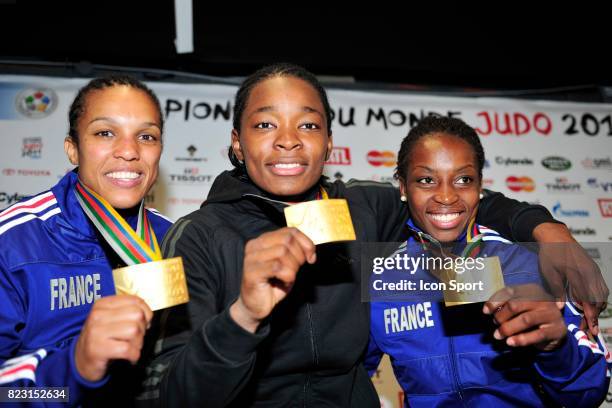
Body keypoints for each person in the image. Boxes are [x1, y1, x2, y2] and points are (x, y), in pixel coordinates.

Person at [142, 63, 595, 407]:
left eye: (308, 124)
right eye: (264, 124)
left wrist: (547, 230)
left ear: (329, 142)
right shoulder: (193, 237)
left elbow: (444, 196)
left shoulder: (364, 208)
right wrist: (241, 318)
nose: (288, 140)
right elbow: (168, 393)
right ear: (237, 142)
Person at [365, 116, 610, 407]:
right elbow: (346, 377)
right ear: (403, 188)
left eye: (463, 179)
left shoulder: (528, 262)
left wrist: (556, 349)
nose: (446, 196)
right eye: (426, 180)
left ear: (481, 186)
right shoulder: (383, 279)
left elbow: (591, 392)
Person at [0, 75, 172, 406]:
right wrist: (74, 366)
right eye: (105, 133)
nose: (128, 151)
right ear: (73, 149)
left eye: (146, 136)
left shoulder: (175, 240)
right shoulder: (13, 243)